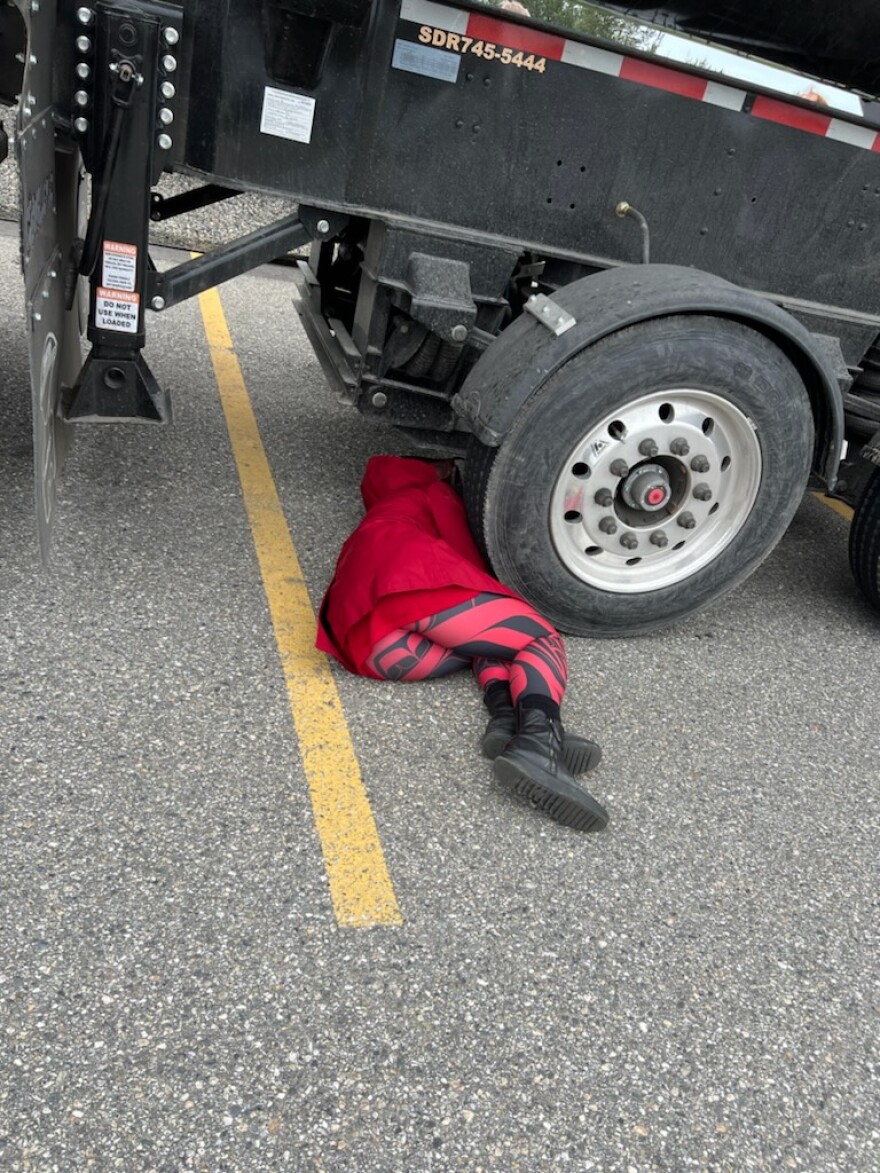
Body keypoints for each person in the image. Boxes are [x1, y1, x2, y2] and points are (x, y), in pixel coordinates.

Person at [316, 455, 608, 832]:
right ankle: (540, 742)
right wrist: (443, 473)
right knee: (539, 637)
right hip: (405, 576)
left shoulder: (386, 511)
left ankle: (508, 719)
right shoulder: (428, 495)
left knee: (490, 643)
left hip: (369, 643)